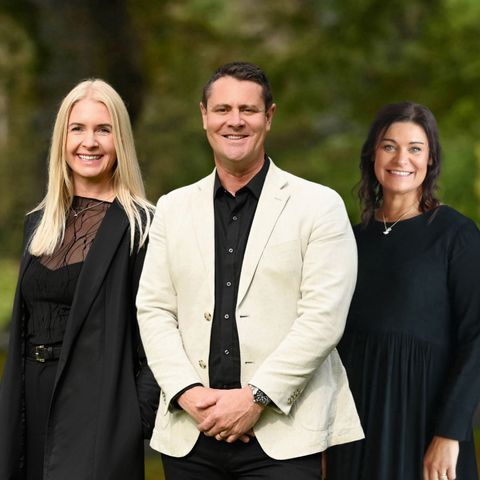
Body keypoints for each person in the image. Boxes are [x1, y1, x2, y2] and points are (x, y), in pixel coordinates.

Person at [136, 61, 363, 479]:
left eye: (248, 110)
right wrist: (187, 392)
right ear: (204, 116)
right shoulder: (172, 208)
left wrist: (255, 398)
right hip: (191, 433)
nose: (235, 121)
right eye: (222, 109)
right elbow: (154, 310)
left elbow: (323, 319)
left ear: (269, 117)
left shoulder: (319, 206)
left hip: (284, 435)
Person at [0, 79, 159, 479]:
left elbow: (160, 337)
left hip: (98, 416)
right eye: (78, 129)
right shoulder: (38, 224)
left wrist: (132, 421)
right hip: (30, 407)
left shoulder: (143, 226)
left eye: (103, 129)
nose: (90, 142)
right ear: (62, 138)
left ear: (120, 140)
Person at [326, 102, 480, 480]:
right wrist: (325, 436)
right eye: (389, 146)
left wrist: (450, 433)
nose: (401, 159)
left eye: (415, 148)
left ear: (430, 159)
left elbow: (476, 337)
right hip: (354, 425)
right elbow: (330, 342)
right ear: (373, 155)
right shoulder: (350, 240)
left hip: (424, 424)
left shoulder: (456, 235)